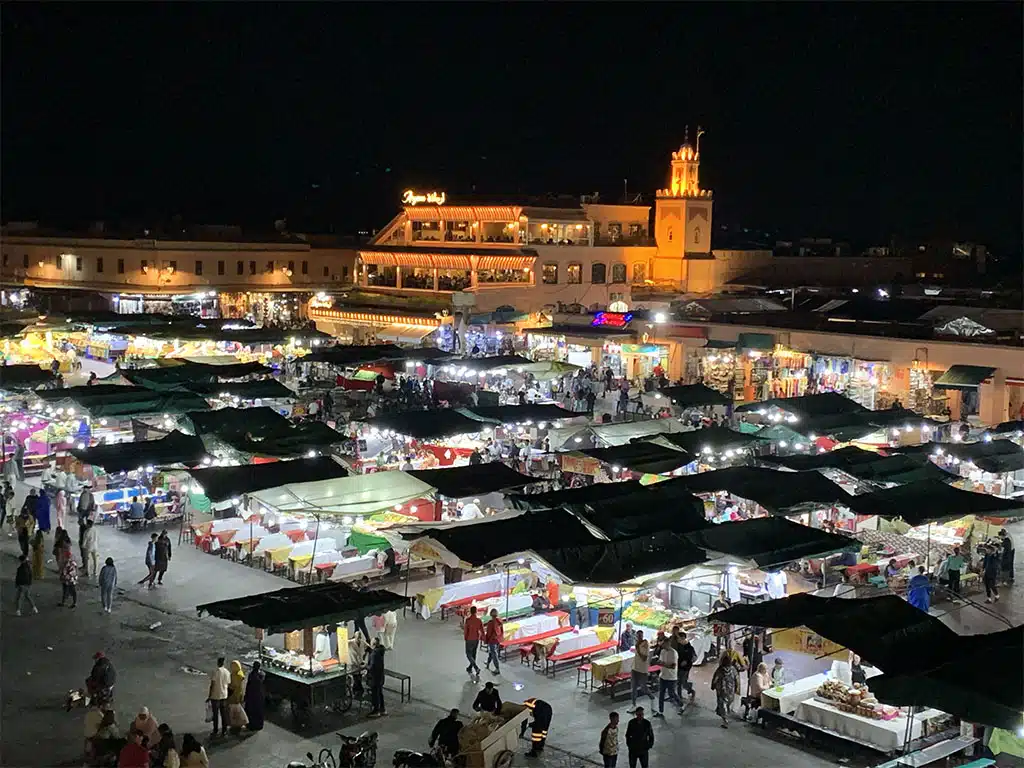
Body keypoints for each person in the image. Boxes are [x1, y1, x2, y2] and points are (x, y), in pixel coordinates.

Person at [711, 653, 739, 728]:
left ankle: (725, 719)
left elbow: (715, 678)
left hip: (721, 690)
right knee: (728, 703)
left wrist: (713, 686)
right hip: (730, 689)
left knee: (722, 704)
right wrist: (736, 688)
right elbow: (736, 679)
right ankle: (727, 714)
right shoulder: (733, 669)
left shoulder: (720, 669)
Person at [655, 640, 681, 717]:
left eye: (664, 644)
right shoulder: (662, 651)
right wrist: (663, 664)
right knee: (661, 694)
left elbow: (673, 666)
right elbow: (660, 661)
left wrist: (663, 664)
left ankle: (681, 705)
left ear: (668, 644)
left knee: (672, 693)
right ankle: (660, 711)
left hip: (671, 677)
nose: (662, 645)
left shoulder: (673, 653)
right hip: (663, 675)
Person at [207, 657, 230, 738]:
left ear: (218, 663)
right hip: (224, 695)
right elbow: (228, 683)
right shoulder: (227, 672)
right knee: (223, 714)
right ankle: (224, 731)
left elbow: (212, 685)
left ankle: (215, 730)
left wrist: (209, 696)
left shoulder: (216, 671)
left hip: (215, 696)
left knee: (215, 715)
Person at [630, 630, 653, 708]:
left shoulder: (645, 644)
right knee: (633, 687)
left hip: (642, 670)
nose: (639, 637)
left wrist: (638, 649)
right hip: (634, 668)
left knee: (643, 688)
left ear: (642, 635)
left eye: (640, 635)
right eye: (637, 635)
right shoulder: (637, 644)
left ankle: (651, 696)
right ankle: (633, 704)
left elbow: (644, 658)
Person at [674, 630, 697, 703]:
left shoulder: (689, 647)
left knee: (683, 682)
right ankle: (679, 696)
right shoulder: (678, 646)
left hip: (686, 667)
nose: (679, 640)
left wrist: (686, 661)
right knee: (679, 682)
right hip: (679, 666)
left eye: (680, 638)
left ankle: (690, 690)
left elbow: (690, 657)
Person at [367, 637, 387, 717]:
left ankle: (376, 710)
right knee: (380, 693)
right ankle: (382, 709)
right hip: (381, 675)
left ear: (374, 645)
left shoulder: (374, 654)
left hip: (374, 677)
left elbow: (371, 666)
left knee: (375, 694)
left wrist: (366, 667)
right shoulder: (380, 651)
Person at [227, 660, 248, 734]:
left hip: (233, 696)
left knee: (233, 711)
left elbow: (233, 686)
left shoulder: (235, 675)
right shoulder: (240, 673)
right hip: (239, 694)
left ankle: (234, 724)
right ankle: (239, 723)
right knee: (238, 710)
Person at [244, 660, 266, 731]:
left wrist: (246, 695)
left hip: (251, 696)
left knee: (251, 711)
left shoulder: (251, 675)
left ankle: (251, 724)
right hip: (258, 696)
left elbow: (248, 685)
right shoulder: (261, 675)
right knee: (258, 711)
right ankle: (258, 725)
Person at [463, 605, 484, 680]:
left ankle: (476, 667)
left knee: (468, 654)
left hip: (469, 639)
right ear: (476, 612)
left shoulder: (468, 620)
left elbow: (466, 630)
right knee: (474, 654)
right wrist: (483, 638)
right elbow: (482, 630)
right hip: (476, 639)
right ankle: (470, 667)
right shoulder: (479, 620)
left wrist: (465, 638)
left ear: (470, 612)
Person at [484, 608, 504, 675]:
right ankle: (488, 663)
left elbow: (489, 633)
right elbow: (502, 630)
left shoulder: (491, 623)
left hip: (492, 640)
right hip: (498, 639)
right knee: (492, 652)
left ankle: (497, 668)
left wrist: (486, 639)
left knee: (493, 653)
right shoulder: (500, 621)